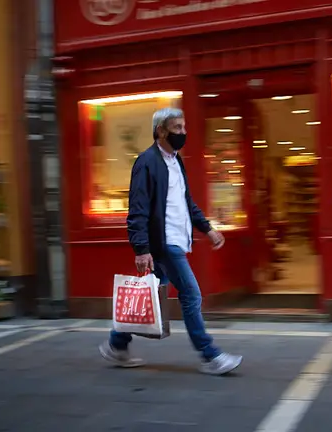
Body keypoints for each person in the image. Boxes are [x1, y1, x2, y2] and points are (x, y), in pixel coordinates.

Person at [99, 107, 243, 375]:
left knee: (149, 296)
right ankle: (210, 355)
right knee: (191, 295)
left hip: (176, 239)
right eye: (177, 128)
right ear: (160, 131)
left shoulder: (176, 161)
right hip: (164, 243)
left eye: (184, 128)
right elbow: (137, 210)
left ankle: (116, 344)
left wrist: (207, 229)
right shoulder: (146, 163)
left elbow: (185, 202)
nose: (183, 133)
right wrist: (141, 249)